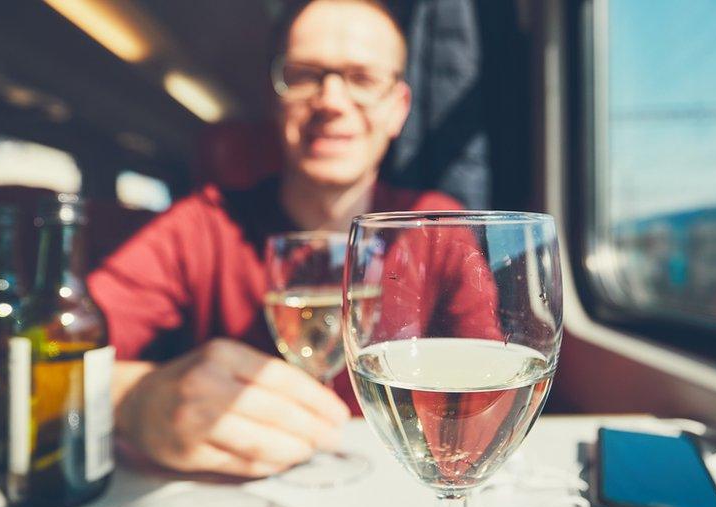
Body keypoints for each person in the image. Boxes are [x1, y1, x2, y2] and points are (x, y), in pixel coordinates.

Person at [89, 0, 465, 478]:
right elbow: (45, 354)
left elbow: (497, 376)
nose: (331, 101)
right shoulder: (201, 226)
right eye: (305, 75)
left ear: (397, 109)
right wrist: (131, 401)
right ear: (276, 98)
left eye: (363, 79)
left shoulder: (441, 228)